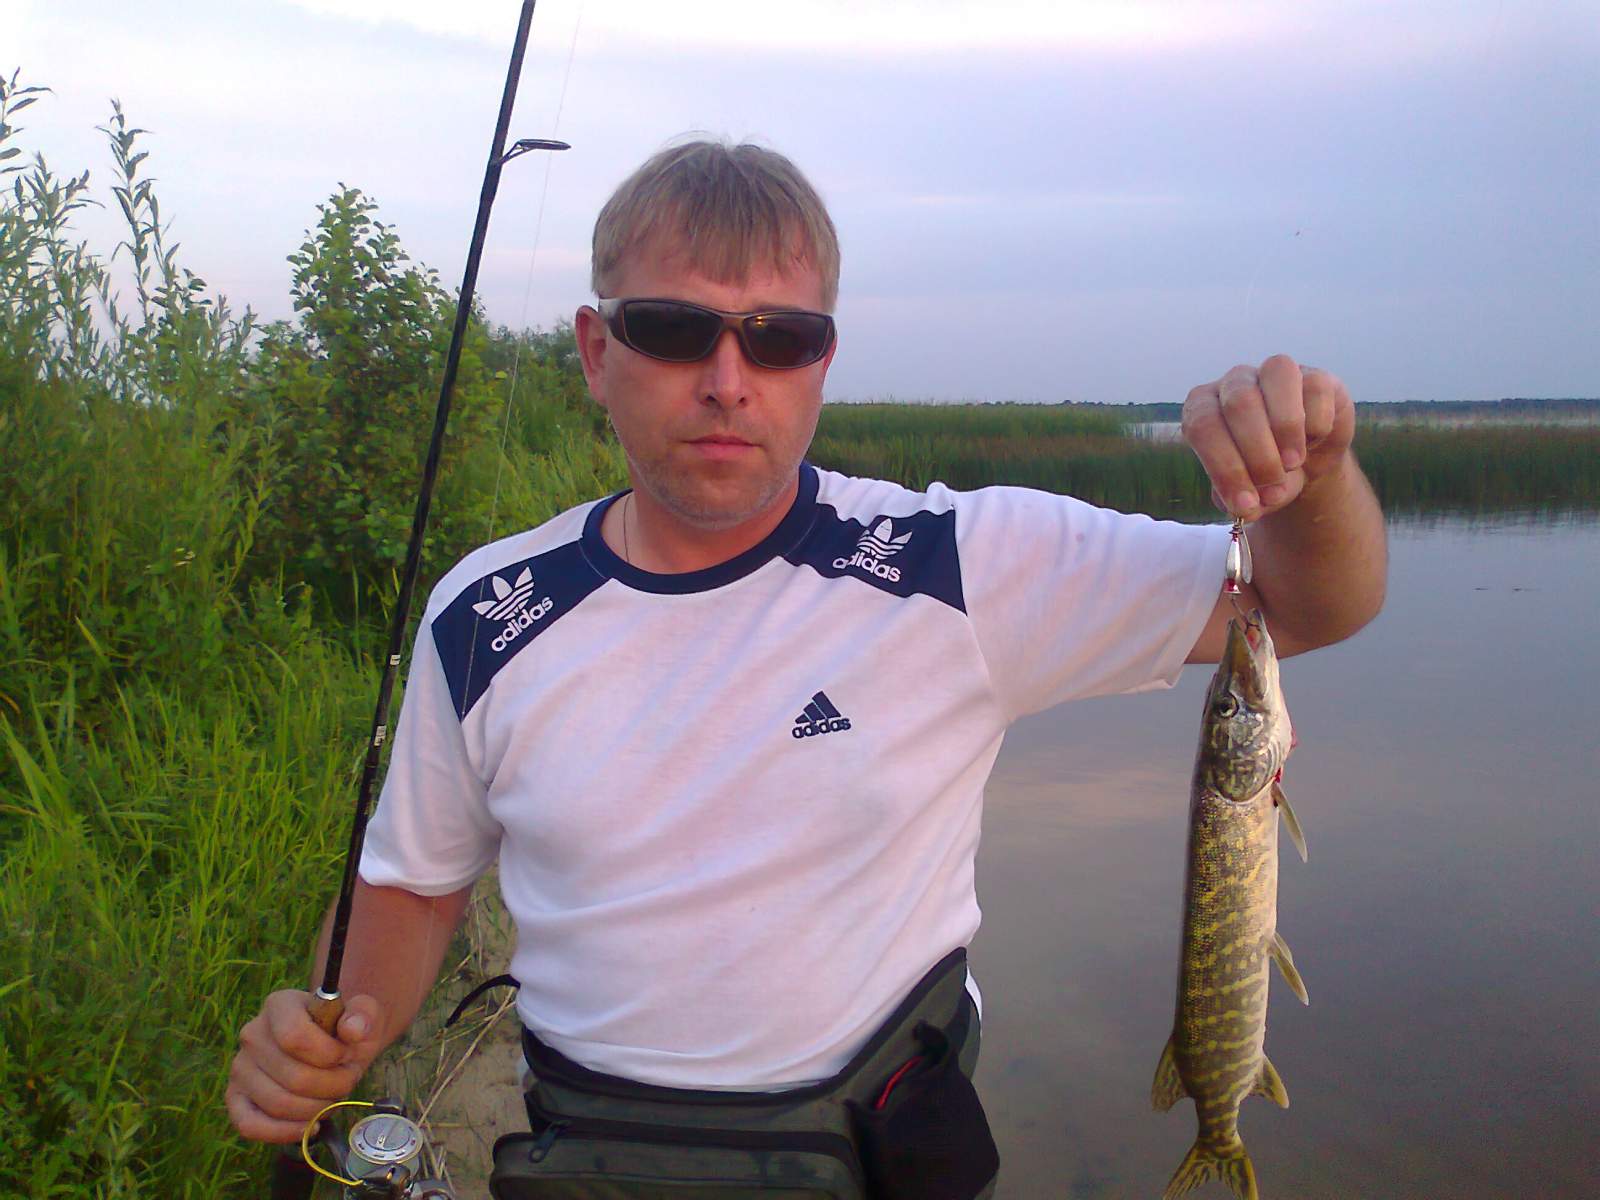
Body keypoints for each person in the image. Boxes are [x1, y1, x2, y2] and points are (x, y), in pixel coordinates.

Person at [226, 140, 1386, 1193]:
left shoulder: (954, 562)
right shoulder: (487, 613)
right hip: (594, 1155)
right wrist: (338, 1034)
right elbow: (416, 882)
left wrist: (1315, 472)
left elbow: (1302, 604)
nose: (729, 380)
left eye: (778, 338)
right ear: (595, 349)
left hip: (879, 1147)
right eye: (673, 329)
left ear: (822, 359)